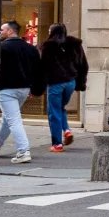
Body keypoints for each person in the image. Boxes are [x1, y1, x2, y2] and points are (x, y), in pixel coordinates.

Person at [0, 20, 43, 164]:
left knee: (14, 120)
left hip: (7, 90)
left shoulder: (0, 48)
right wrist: (35, 89)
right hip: (24, 89)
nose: (0, 32)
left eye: (2, 30)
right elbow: (38, 71)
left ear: (10, 31)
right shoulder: (30, 49)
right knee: (9, 119)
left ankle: (23, 151)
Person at [41, 23, 88, 153]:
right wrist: (81, 82)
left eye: (49, 29)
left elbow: (43, 67)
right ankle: (66, 130)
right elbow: (83, 65)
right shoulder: (75, 45)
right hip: (70, 82)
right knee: (60, 108)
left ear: (53, 31)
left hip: (55, 83)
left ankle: (57, 144)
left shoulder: (48, 46)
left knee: (53, 112)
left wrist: (37, 86)